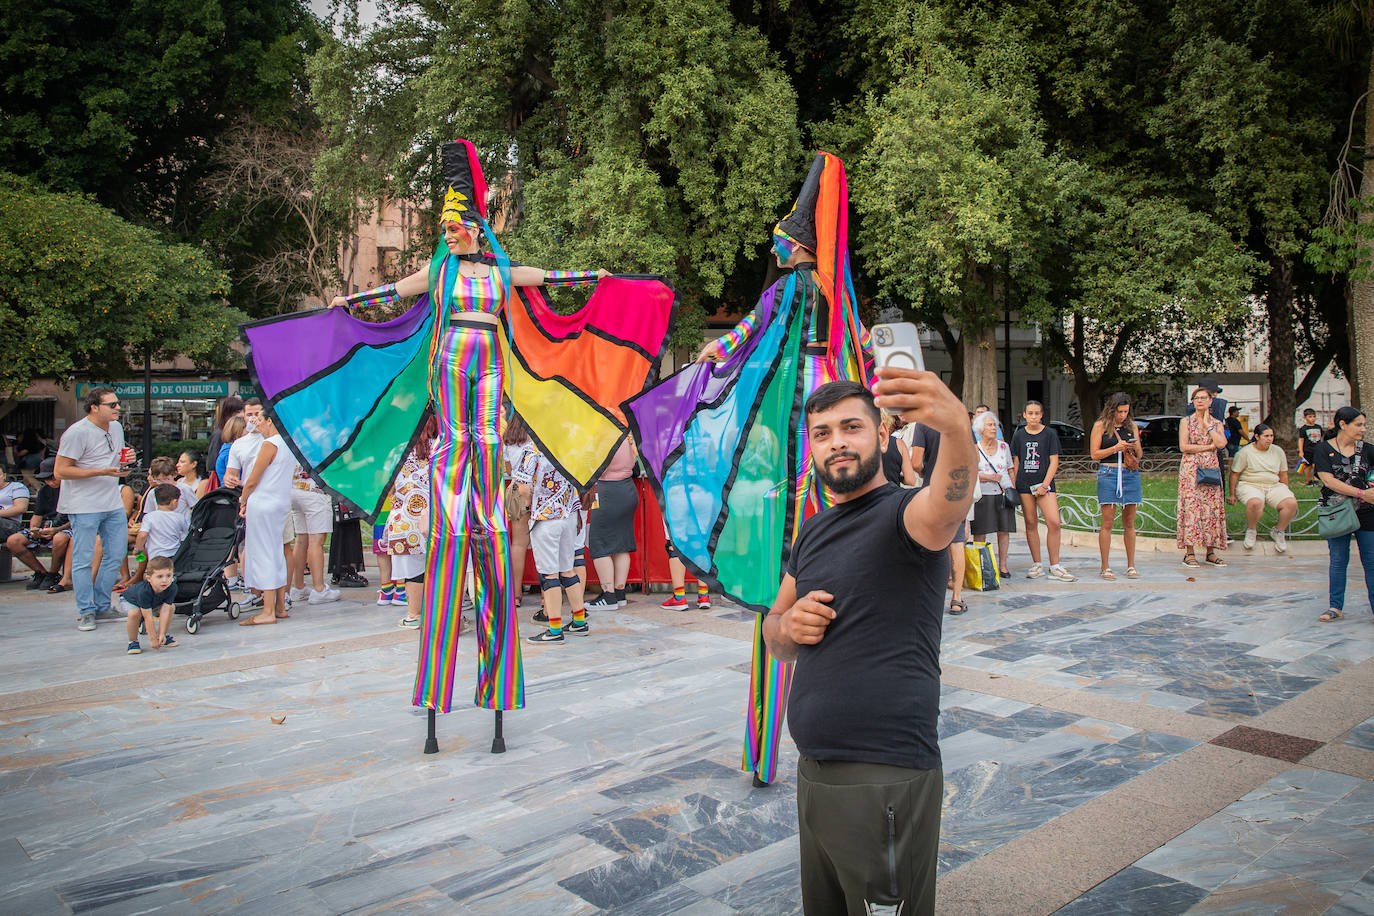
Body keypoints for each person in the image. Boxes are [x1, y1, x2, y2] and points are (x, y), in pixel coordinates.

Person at [629, 151, 874, 787]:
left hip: (803, 421)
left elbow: (748, 333)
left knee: (782, 581)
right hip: (826, 404)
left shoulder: (792, 289)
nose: (778, 243)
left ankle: (763, 749)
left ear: (797, 244)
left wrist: (715, 350)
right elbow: (860, 346)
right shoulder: (834, 291)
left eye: (783, 238)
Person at [762, 374, 974, 916]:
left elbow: (951, 500)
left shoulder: (909, 515)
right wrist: (788, 628)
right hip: (814, 775)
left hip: (886, 776)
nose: (836, 442)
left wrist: (953, 424)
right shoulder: (813, 530)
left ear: (882, 436)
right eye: (822, 432)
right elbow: (774, 632)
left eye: (852, 427)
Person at [54, 387, 131, 631]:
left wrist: (123, 464)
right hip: (83, 504)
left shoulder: (116, 428)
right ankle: (86, 611)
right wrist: (100, 471)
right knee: (83, 559)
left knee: (117, 554)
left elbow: (114, 460)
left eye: (117, 403)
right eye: (112, 405)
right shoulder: (76, 433)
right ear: (94, 407)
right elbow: (61, 471)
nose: (117, 408)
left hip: (111, 501)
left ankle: (102, 606)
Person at [515, 443, 589, 642]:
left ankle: (555, 629)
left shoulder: (533, 450)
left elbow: (522, 487)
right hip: (569, 516)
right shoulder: (569, 445)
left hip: (545, 518)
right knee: (567, 568)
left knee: (549, 574)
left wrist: (531, 503)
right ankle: (579, 621)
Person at [1314, 407, 1374, 623]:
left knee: (1371, 561)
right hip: (1336, 511)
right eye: (1358, 425)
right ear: (1342, 425)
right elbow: (1328, 481)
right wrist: (1361, 493)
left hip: (1368, 513)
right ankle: (1335, 606)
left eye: (1363, 425)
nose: (1363, 429)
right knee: (1338, 559)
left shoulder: (1368, 450)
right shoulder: (1322, 450)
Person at [238, 415, 297, 626]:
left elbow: (253, 479)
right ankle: (279, 605)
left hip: (263, 502)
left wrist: (243, 499)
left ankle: (268, 610)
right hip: (279, 502)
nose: (256, 423)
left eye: (260, 419)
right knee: (276, 551)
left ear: (270, 420)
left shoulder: (270, 444)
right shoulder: (289, 444)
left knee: (265, 554)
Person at [909, 420, 970, 614]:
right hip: (956, 488)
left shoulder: (922, 424)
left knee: (927, 542)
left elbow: (916, 462)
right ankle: (957, 599)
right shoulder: (955, 419)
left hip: (932, 488)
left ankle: (927, 597)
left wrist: (924, 471)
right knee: (957, 542)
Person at [1011, 400, 1074, 581]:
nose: (1033, 416)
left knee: (1053, 522)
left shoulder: (1049, 434)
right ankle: (1036, 563)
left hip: (1044, 485)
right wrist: (1015, 484)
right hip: (1024, 484)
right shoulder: (1019, 435)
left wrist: (1045, 485)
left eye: (1036, 413)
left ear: (1041, 415)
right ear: (1024, 415)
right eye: (1029, 413)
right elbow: (1017, 461)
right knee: (1031, 522)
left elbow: (1054, 461)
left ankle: (1054, 564)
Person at [388, 415, 439, 628]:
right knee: (438, 567)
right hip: (437, 516)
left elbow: (387, 488)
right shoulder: (441, 447)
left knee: (412, 572)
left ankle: (414, 615)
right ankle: (438, 614)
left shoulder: (396, 450)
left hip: (404, 519)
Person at [1090, 393, 1144, 579]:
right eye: (1119, 411)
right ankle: (1105, 566)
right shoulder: (1100, 426)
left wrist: (1133, 446)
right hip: (1109, 473)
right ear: (1111, 410)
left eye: (1126, 412)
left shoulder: (1131, 426)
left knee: (1129, 522)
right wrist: (1115, 448)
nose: (1122, 415)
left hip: (1130, 474)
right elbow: (1094, 454)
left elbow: (1140, 454)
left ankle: (1131, 565)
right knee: (1108, 522)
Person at [1177, 386, 1229, 568]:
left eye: (1203, 398)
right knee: (1192, 507)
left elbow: (1221, 443)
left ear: (1210, 401)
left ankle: (1210, 551)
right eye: (1196, 398)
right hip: (1191, 469)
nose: (1200, 401)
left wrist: (1209, 428)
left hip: (1211, 468)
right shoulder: (1186, 422)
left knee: (1211, 508)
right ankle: (1189, 552)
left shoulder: (1216, 423)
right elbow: (1184, 446)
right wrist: (1207, 447)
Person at [585, 437, 639, 611]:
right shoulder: (627, 435)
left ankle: (608, 595)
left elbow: (592, 463)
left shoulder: (604, 435)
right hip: (628, 489)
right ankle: (619, 592)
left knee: (598, 543)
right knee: (621, 545)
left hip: (607, 490)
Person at [1228, 423, 1298, 552]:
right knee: (1255, 502)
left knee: (1291, 503)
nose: (1269, 439)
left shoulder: (1278, 451)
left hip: (1273, 485)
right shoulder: (1245, 452)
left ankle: (1279, 531)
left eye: (1271, 436)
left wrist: (1286, 490)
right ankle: (1251, 530)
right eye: (1266, 436)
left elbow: (1283, 474)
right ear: (1257, 436)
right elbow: (1234, 474)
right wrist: (1232, 494)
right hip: (1250, 484)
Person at [6, 458, 70, 590]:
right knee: (14, 540)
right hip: (49, 527)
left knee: (60, 537)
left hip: (68, 527)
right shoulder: (44, 490)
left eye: (52, 478)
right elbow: (37, 515)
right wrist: (34, 529)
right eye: (46, 479)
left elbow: (78, 519)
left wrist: (56, 529)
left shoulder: (72, 489)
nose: (50, 482)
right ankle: (40, 572)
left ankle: (53, 573)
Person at [971, 411, 1015, 577]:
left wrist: (1012, 487)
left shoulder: (1004, 447)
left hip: (1003, 493)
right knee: (980, 531)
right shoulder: (975, 448)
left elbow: (1010, 469)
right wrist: (988, 477)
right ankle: (981, 566)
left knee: (1004, 529)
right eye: (989, 425)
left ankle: (1003, 566)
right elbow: (971, 471)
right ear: (981, 428)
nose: (993, 428)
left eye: (994, 425)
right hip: (983, 494)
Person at [287, 466, 340, 605]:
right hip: (315, 491)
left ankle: (298, 587)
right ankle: (319, 589)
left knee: (301, 540)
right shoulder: (323, 443)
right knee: (316, 542)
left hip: (295, 489)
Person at [502, 412, 533, 608]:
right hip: (539, 490)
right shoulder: (538, 437)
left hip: (515, 490)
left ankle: (516, 593)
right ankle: (549, 595)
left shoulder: (508, 439)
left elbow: (509, 470)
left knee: (518, 544)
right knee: (542, 542)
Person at [118, 555, 179, 654]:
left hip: (152, 603)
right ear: (149, 578)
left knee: (171, 607)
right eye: (159, 576)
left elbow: (165, 610)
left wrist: (161, 634)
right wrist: (152, 638)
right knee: (135, 613)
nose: (165, 580)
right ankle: (133, 642)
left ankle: (163, 637)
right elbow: (148, 616)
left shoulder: (172, 587)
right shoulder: (144, 591)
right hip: (128, 600)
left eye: (168, 575)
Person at [133, 484, 189, 565]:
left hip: (155, 555)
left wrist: (138, 548)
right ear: (174, 502)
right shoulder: (180, 517)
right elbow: (185, 535)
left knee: (156, 574)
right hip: (175, 554)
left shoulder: (149, 517)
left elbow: (142, 535)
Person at [205, 395, 244, 487]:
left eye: (243, 411)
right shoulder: (220, 436)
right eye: (237, 411)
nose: (242, 414)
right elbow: (212, 464)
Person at [880, 417, 916, 487]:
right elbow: (911, 480)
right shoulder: (899, 444)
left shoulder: (859, 443)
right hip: (892, 493)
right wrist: (897, 476)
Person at [1297, 408, 1325, 486]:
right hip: (1307, 450)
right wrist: (1301, 451)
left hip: (1317, 449)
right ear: (1305, 418)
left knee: (1316, 465)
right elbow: (1301, 440)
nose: (1312, 418)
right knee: (1307, 466)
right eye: (1310, 416)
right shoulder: (1303, 428)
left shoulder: (1318, 427)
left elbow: (1322, 437)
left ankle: (1316, 480)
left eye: (1313, 416)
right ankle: (1308, 480)